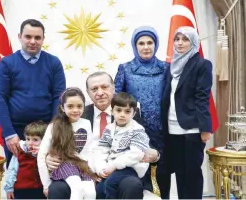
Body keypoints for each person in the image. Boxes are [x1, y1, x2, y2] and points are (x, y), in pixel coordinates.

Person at [46, 71, 160, 199]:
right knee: (57, 188)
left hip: (117, 169)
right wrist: (50, 157)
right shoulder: (77, 113)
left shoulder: (127, 112)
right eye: (94, 89)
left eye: (104, 87)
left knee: (131, 184)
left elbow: (143, 142)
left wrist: (155, 155)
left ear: (113, 88)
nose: (100, 93)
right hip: (83, 170)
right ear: (88, 93)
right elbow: (59, 142)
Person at [0, 19, 66, 166]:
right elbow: (0, 98)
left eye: (37, 38)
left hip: (45, 131)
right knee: (18, 180)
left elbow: (59, 98)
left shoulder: (54, 63)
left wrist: (51, 133)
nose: (33, 41)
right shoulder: (7, 63)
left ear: (43, 39)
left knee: (46, 180)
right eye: (28, 37)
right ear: (20, 37)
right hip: (16, 133)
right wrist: (8, 133)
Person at [114, 26, 170, 198]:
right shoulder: (125, 68)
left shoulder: (166, 68)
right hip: (134, 132)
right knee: (136, 179)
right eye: (141, 43)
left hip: (163, 132)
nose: (146, 47)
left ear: (156, 44)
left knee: (162, 178)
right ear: (135, 45)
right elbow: (116, 100)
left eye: (150, 42)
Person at [161, 26, 212, 199]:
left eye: (185, 39)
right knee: (180, 171)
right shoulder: (171, 65)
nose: (180, 43)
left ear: (193, 42)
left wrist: (205, 127)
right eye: (177, 39)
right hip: (172, 126)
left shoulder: (202, 64)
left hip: (193, 126)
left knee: (192, 171)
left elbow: (202, 97)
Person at [37, 87, 97, 200]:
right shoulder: (54, 126)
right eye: (70, 106)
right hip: (64, 164)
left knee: (91, 193)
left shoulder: (86, 123)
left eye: (79, 106)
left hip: (82, 165)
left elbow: (90, 150)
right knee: (77, 187)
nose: (75, 110)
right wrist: (46, 184)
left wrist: (92, 171)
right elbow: (41, 155)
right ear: (62, 108)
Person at [90, 92, 150, 199]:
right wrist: (101, 168)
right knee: (98, 191)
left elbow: (136, 154)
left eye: (127, 111)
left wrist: (114, 165)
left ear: (134, 113)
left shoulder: (138, 130)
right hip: (112, 168)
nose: (122, 114)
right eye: (118, 110)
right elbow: (101, 149)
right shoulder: (109, 129)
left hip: (130, 168)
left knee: (110, 184)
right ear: (112, 111)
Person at [4, 121, 47, 199]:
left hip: (40, 190)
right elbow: (12, 170)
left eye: (35, 140)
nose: (30, 143)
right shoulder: (19, 152)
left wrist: (41, 153)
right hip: (20, 190)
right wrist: (9, 188)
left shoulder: (46, 154)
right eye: (28, 139)